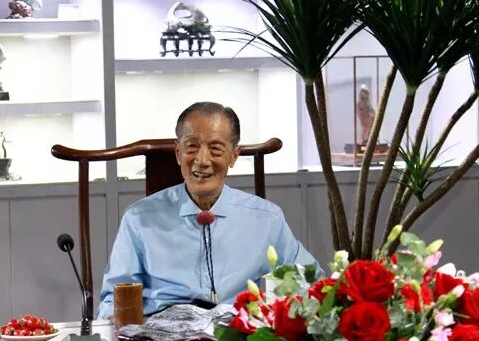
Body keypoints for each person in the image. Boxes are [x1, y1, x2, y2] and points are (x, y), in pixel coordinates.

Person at [97, 102, 320, 320]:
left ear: (234, 155)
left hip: (236, 336)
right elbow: (113, 301)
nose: (202, 160)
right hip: (161, 336)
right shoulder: (138, 218)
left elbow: (310, 283)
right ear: (178, 152)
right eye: (191, 146)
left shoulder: (267, 219)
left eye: (215, 148)